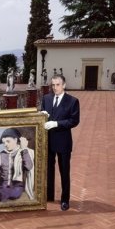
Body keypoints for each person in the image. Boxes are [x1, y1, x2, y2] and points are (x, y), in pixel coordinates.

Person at [41, 74, 80, 211]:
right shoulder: (46, 98)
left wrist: (56, 123)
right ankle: (49, 196)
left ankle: (65, 200)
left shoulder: (72, 101)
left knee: (64, 171)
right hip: (49, 141)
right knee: (49, 170)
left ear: (64, 85)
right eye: (53, 85)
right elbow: (42, 114)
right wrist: (43, 116)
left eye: (58, 84)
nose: (55, 87)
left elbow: (74, 121)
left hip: (63, 142)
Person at [0, 128, 35, 203]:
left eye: (8, 141)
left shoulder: (24, 152)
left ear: (16, 140)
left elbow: (29, 167)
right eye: (4, 142)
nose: (5, 144)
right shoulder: (0, 155)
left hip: (17, 188)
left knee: (3, 194)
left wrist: (24, 150)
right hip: (1, 187)